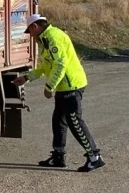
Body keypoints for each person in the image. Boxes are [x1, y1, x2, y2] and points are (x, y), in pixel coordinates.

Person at [13, 13, 105, 172]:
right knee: (59, 121)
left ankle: (94, 156)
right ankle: (58, 156)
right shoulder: (44, 38)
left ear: (35, 27)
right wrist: (27, 77)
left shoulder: (52, 37)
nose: (30, 35)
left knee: (74, 121)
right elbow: (46, 67)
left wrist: (49, 87)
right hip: (64, 87)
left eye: (30, 31)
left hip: (71, 85)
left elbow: (60, 64)